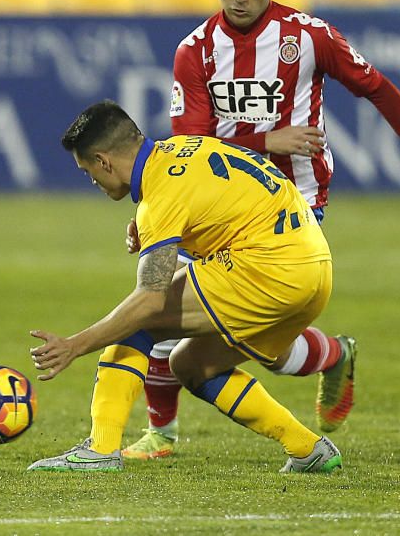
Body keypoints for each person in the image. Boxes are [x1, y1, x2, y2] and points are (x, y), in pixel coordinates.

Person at [122, 0, 400, 460]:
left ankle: (171, 431)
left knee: (193, 315)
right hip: (218, 209)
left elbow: (378, 88)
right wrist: (260, 140)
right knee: (190, 314)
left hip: (294, 206)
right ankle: (324, 359)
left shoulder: (309, 37)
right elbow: (189, 146)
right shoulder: (194, 51)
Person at [26, 100, 347, 472]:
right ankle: (309, 449)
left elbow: (148, 301)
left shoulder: (161, 196)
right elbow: (223, 204)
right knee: (192, 366)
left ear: (104, 161)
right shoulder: (188, 146)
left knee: (138, 322)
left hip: (268, 268)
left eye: (88, 171)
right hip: (315, 269)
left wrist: (73, 346)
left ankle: (100, 450)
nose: (93, 181)